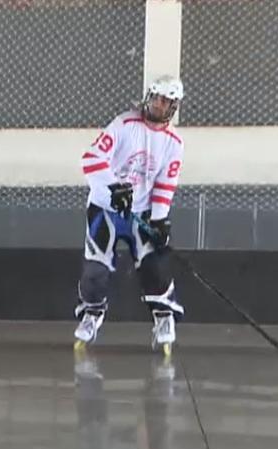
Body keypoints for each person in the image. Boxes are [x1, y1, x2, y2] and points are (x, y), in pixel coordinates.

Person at [73, 75, 185, 355]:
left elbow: (164, 184)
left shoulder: (174, 143)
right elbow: (91, 159)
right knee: (95, 272)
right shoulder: (124, 124)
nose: (160, 105)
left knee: (154, 267)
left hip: (142, 213)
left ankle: (163, 316)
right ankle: (92, 312)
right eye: (157, 98)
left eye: (167, 102)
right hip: (106, 210)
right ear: (149, 97)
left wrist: (160, 220)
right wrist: (114, 187)